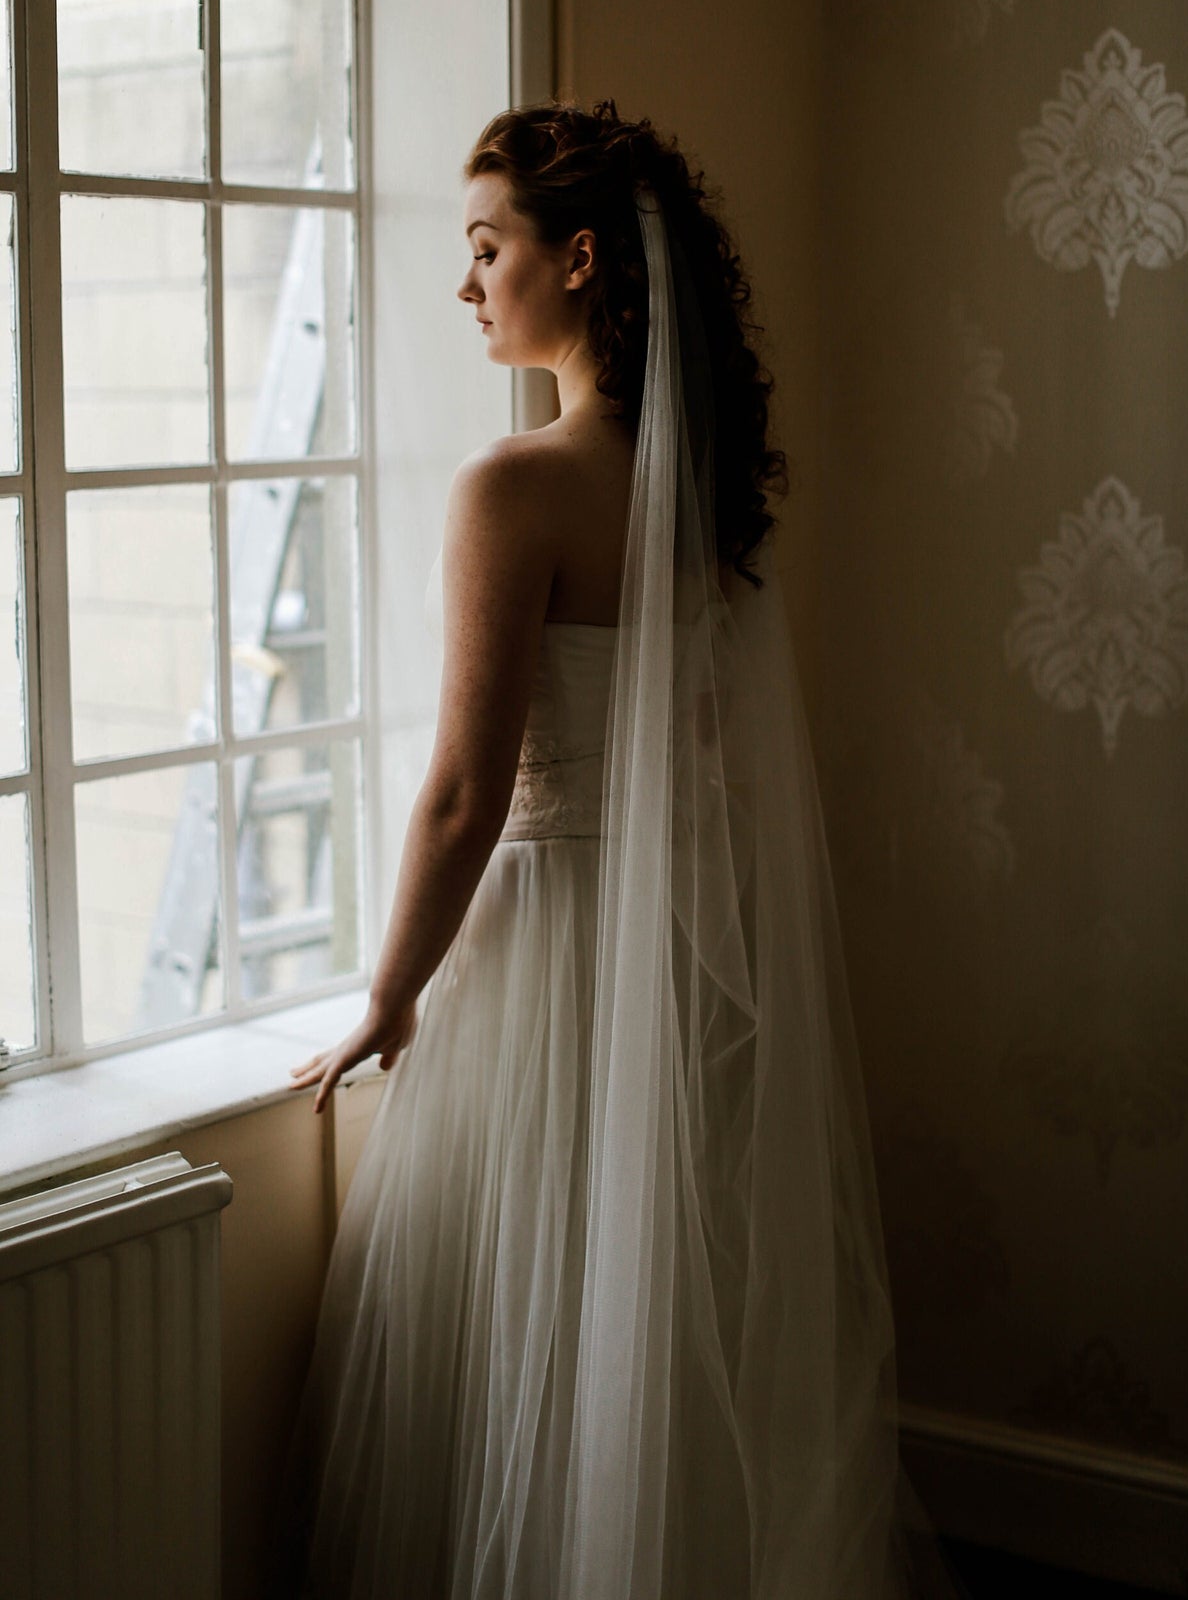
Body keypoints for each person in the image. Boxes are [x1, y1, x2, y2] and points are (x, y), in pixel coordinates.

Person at [282, 100, 958, 1598]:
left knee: (529, 1331)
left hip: (550, 939)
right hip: (673, 943)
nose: (467, 285)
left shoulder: (514, 488)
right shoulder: (697, 486)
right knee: (655, 1327)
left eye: (486, 248)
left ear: (578, 260)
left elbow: (464, 793)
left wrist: (390, 996)